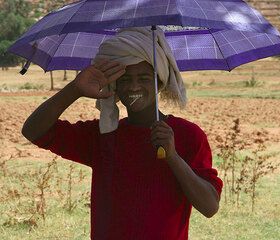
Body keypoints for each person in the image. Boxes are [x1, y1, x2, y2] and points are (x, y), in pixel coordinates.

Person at [22, 27, 222, 240]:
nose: (134, 86)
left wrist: (172, 156)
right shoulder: (104, 134)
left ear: (159, 81)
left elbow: (209, 206)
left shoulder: (188, 135)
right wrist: (75, 89)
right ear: (114, 85)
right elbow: (33, 131)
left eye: (144, 78)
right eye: (125, 79)